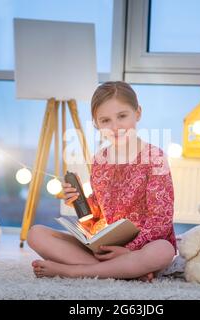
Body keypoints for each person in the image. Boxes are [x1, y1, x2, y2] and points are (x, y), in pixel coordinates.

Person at [28, 81, 176, 282]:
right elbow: (97, 217)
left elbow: (161, 221)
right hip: (106, 247)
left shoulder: (155, 158)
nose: (115, 127)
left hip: (142, 248)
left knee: (163, 250)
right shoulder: (100, 160)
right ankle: (125, 272)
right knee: (36, 234)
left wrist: (128, 251)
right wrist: (78, 203)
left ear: (138, 113)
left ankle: (74, 271)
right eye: (105, 120)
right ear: (96, 124)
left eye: (122, 116)